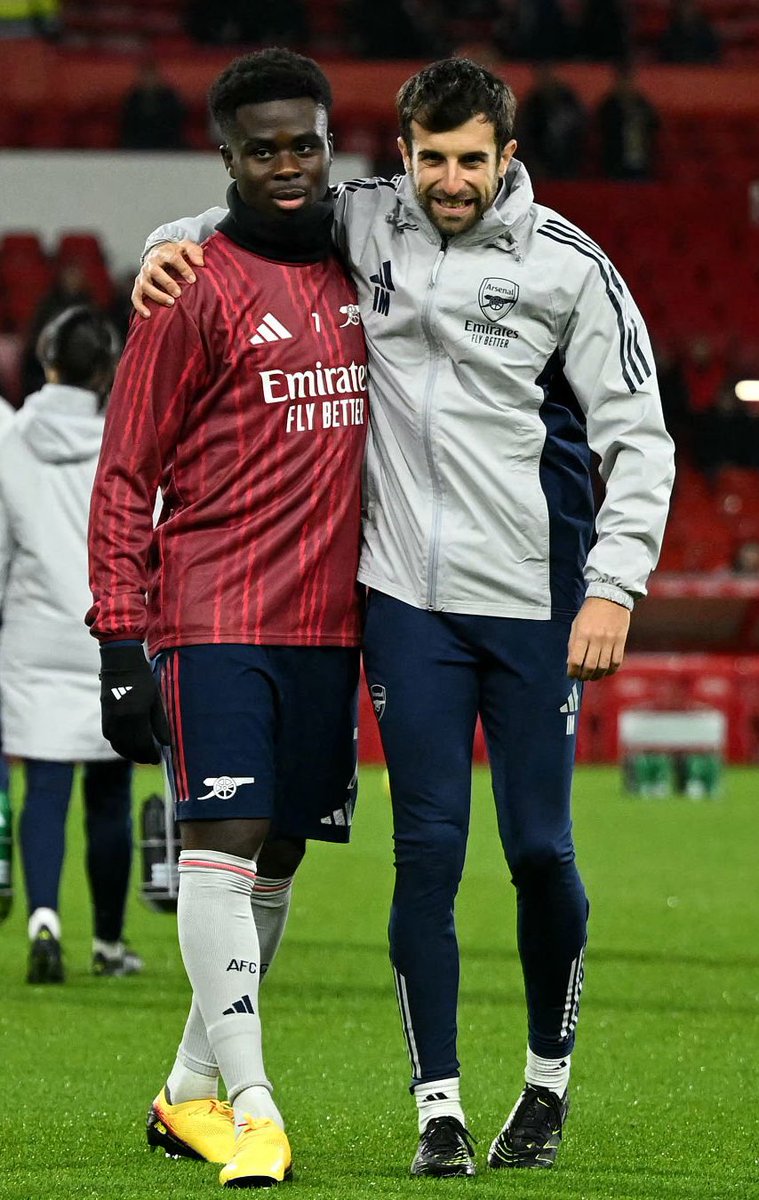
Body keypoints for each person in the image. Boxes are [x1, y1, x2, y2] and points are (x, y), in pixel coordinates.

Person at [133, 56, 675, 1177]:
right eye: (432, 158)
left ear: (506, 156)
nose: (450, 180)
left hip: (532, 602)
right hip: (404, 605)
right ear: (407, 154)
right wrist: (162, 246)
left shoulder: (570, 266)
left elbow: (641, 437)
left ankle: (546, 1078)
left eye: (472, 160)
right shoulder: (367, 219)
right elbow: (248, 213)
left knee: (537, 850)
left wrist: (615, 584)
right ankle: (439, 1110)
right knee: (424, 856)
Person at [87, 50, 368, 1189]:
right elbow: (122, 476)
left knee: (279, 856)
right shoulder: (189, 287)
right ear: (227, 159)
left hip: (329, 626)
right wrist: (118, 639)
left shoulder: (366, 270)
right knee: (224, 844)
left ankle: (189, 1090)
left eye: (304, 143)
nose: (288, 165)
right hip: (214, 615)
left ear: (328, 142)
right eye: (264, 149)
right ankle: (254, 1108)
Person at [0, 305, 141, 983]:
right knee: (109, 794)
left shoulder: (11, 435)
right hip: (110, 629)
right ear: (106, 368)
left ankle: (44, 920)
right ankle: (109, 945)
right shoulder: (127, 433)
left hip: (32, 634)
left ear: (46, 360)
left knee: (46, 789)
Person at [517, 65, 587, 179]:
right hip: (540, 168)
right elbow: (526, 139)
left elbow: (580, 133)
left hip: (570, 165)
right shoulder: (532, 105)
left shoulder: (569, 101)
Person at [596, 63, 660, 181]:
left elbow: (654, 126)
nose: (627, 85)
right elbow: (604, 131)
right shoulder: (608, 105)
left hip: (640, 162)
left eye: (629, 80)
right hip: (615, 164)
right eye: (623, 80)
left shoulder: (642, 104)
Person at [119, 60, 187, 151]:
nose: (149, 80)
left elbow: (176, 122)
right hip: (138, 142)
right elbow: (128, 124)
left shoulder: (170, 97)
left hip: (167, 141)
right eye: (146, 77)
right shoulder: (133, 98)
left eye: (152, 76)